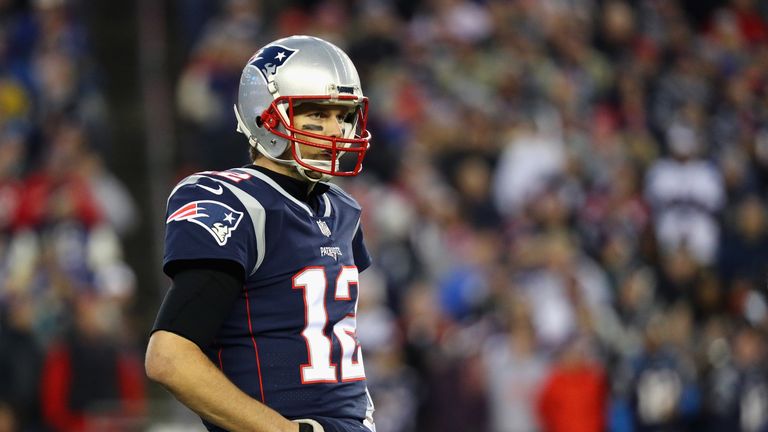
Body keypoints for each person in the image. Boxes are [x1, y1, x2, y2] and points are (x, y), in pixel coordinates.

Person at [145, 35, 376, 432]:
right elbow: (170, 357)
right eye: (316, 113)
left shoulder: (342, 209)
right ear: (264, 115)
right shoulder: (237, 202)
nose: (335, 129)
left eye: (343, 115)